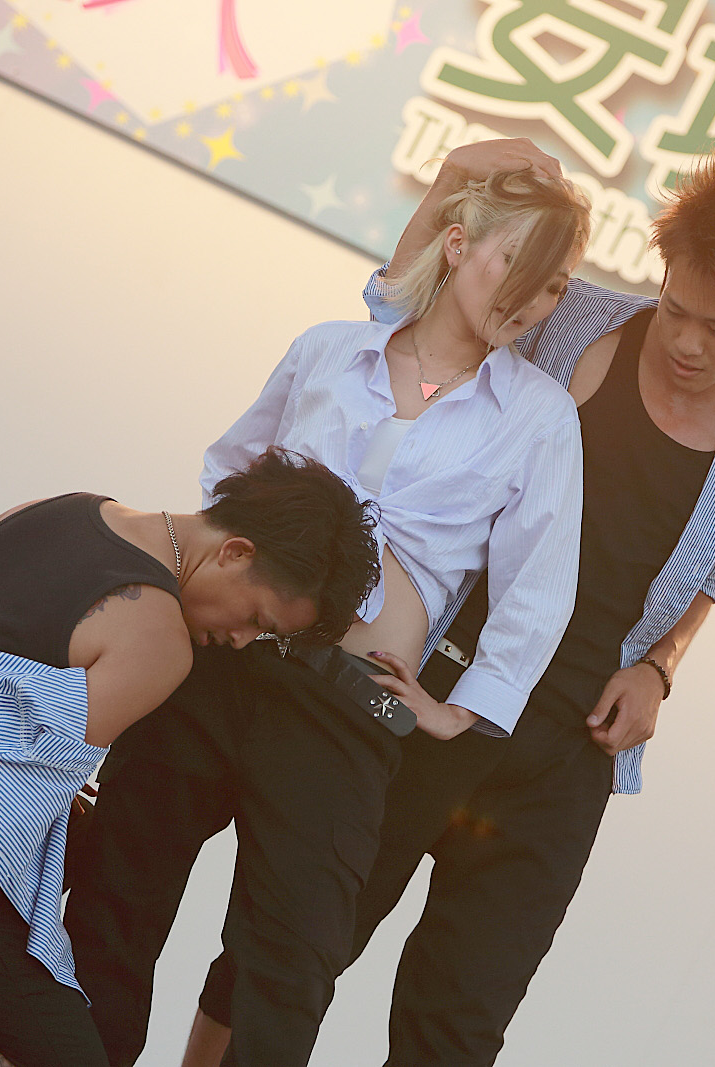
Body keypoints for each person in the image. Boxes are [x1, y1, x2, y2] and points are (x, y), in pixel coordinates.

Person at [62, 166, 593, 1067]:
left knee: (292, 963)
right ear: (457, 244)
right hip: (217, 667)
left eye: (553, 285)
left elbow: (540, 588)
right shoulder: (330, 350)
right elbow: (229, 471)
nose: (531, 299)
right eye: (517, 264)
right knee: (117, 895)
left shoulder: (538, 417)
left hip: (348, 706)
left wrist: (461, 709)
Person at [337, 141, 715, 1064]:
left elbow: (711, 580)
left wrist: (659, 669)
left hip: (564, 759)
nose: (686, 342)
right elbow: (400, 312)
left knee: (457, 1029)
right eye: (676, 308)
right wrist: (450, 185)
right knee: (299, 943)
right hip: (437, 684)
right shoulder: (569, 322)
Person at [0, 447, 379, 1067]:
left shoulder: (56, 508)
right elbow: (2, 820)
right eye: (256, 617)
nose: (244, 641)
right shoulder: (159, 646)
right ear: (236, 552)